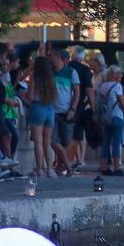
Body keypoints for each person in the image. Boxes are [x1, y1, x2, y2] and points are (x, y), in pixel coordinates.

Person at [26, 54, 58, 178]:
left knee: (38, 141)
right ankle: (50, 169)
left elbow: (31, 96)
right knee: (47, 141)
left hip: (37, 108)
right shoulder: (51, 78)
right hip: (50, 109)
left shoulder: (34, 77)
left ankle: (39, 169)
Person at [96, 63, 124, 176]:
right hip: (116, 116)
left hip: (105, 117)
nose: (121, 75)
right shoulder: (117, 86)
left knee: (105, 142)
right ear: (115, 75)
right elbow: (121, 102)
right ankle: (117, 168)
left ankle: (104, 167)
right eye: (119, 73)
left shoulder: (102, 86)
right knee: (116, 142)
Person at [51, 47, 78, 175]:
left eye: (52, 57)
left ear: (58, 58)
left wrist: (73, 108)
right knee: (53, 141)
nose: (50, 59)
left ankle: (61, 166)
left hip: (66, 111)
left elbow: (77, 92)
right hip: (51, 112)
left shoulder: (71, 72)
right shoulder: (50, 72)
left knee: (66, 141)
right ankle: (68, 164)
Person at [70, 46, 95, 166]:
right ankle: (79, 159)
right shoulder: (85, 70)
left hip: (66, 103)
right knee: (79, 134)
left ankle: (74, 158)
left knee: (70, 133)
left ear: (72, 54)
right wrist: (92, 106)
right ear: (82, 56)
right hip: (80, 105)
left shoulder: (67, 67)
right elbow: (89, 90)